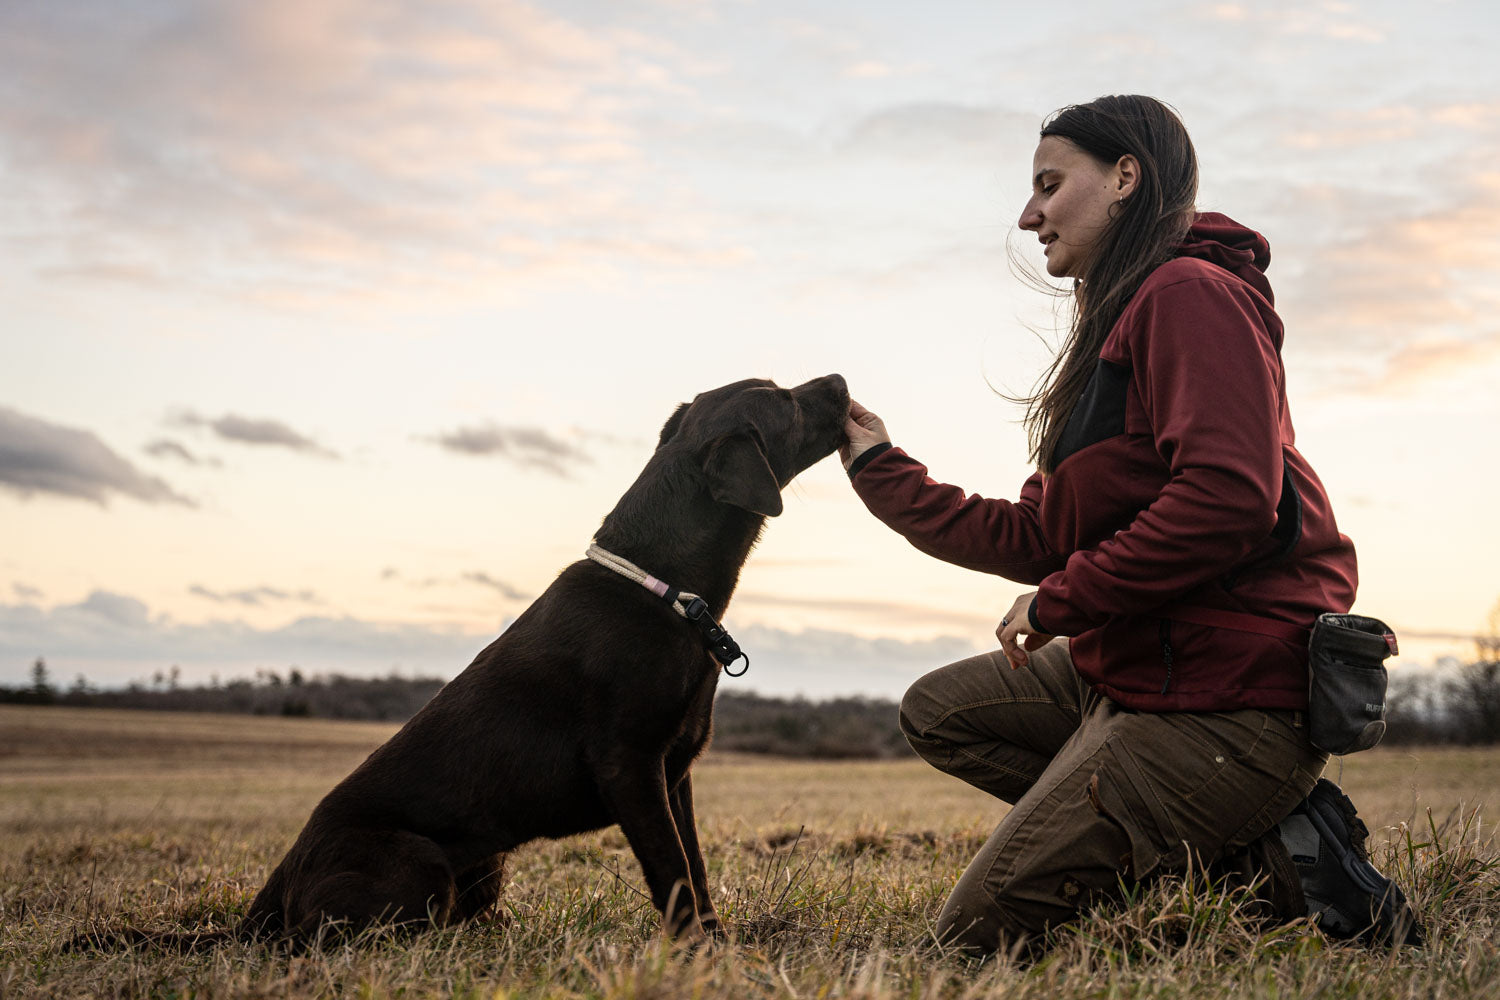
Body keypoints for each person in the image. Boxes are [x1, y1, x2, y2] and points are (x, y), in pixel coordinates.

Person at [841, 94, 1421, 956]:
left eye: (1049, 183)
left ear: (1123, 178)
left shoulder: (1189, 293)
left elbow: (1228, 498)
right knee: (940, 712)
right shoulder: (1115, 325)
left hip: (1228, 694)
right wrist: (877, 464)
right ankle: (1260, 843)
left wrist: (1060, 602)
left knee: (975, 935)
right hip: (1143, 661)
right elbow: (1033, 537)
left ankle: (1269, 841)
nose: (1028, 214)